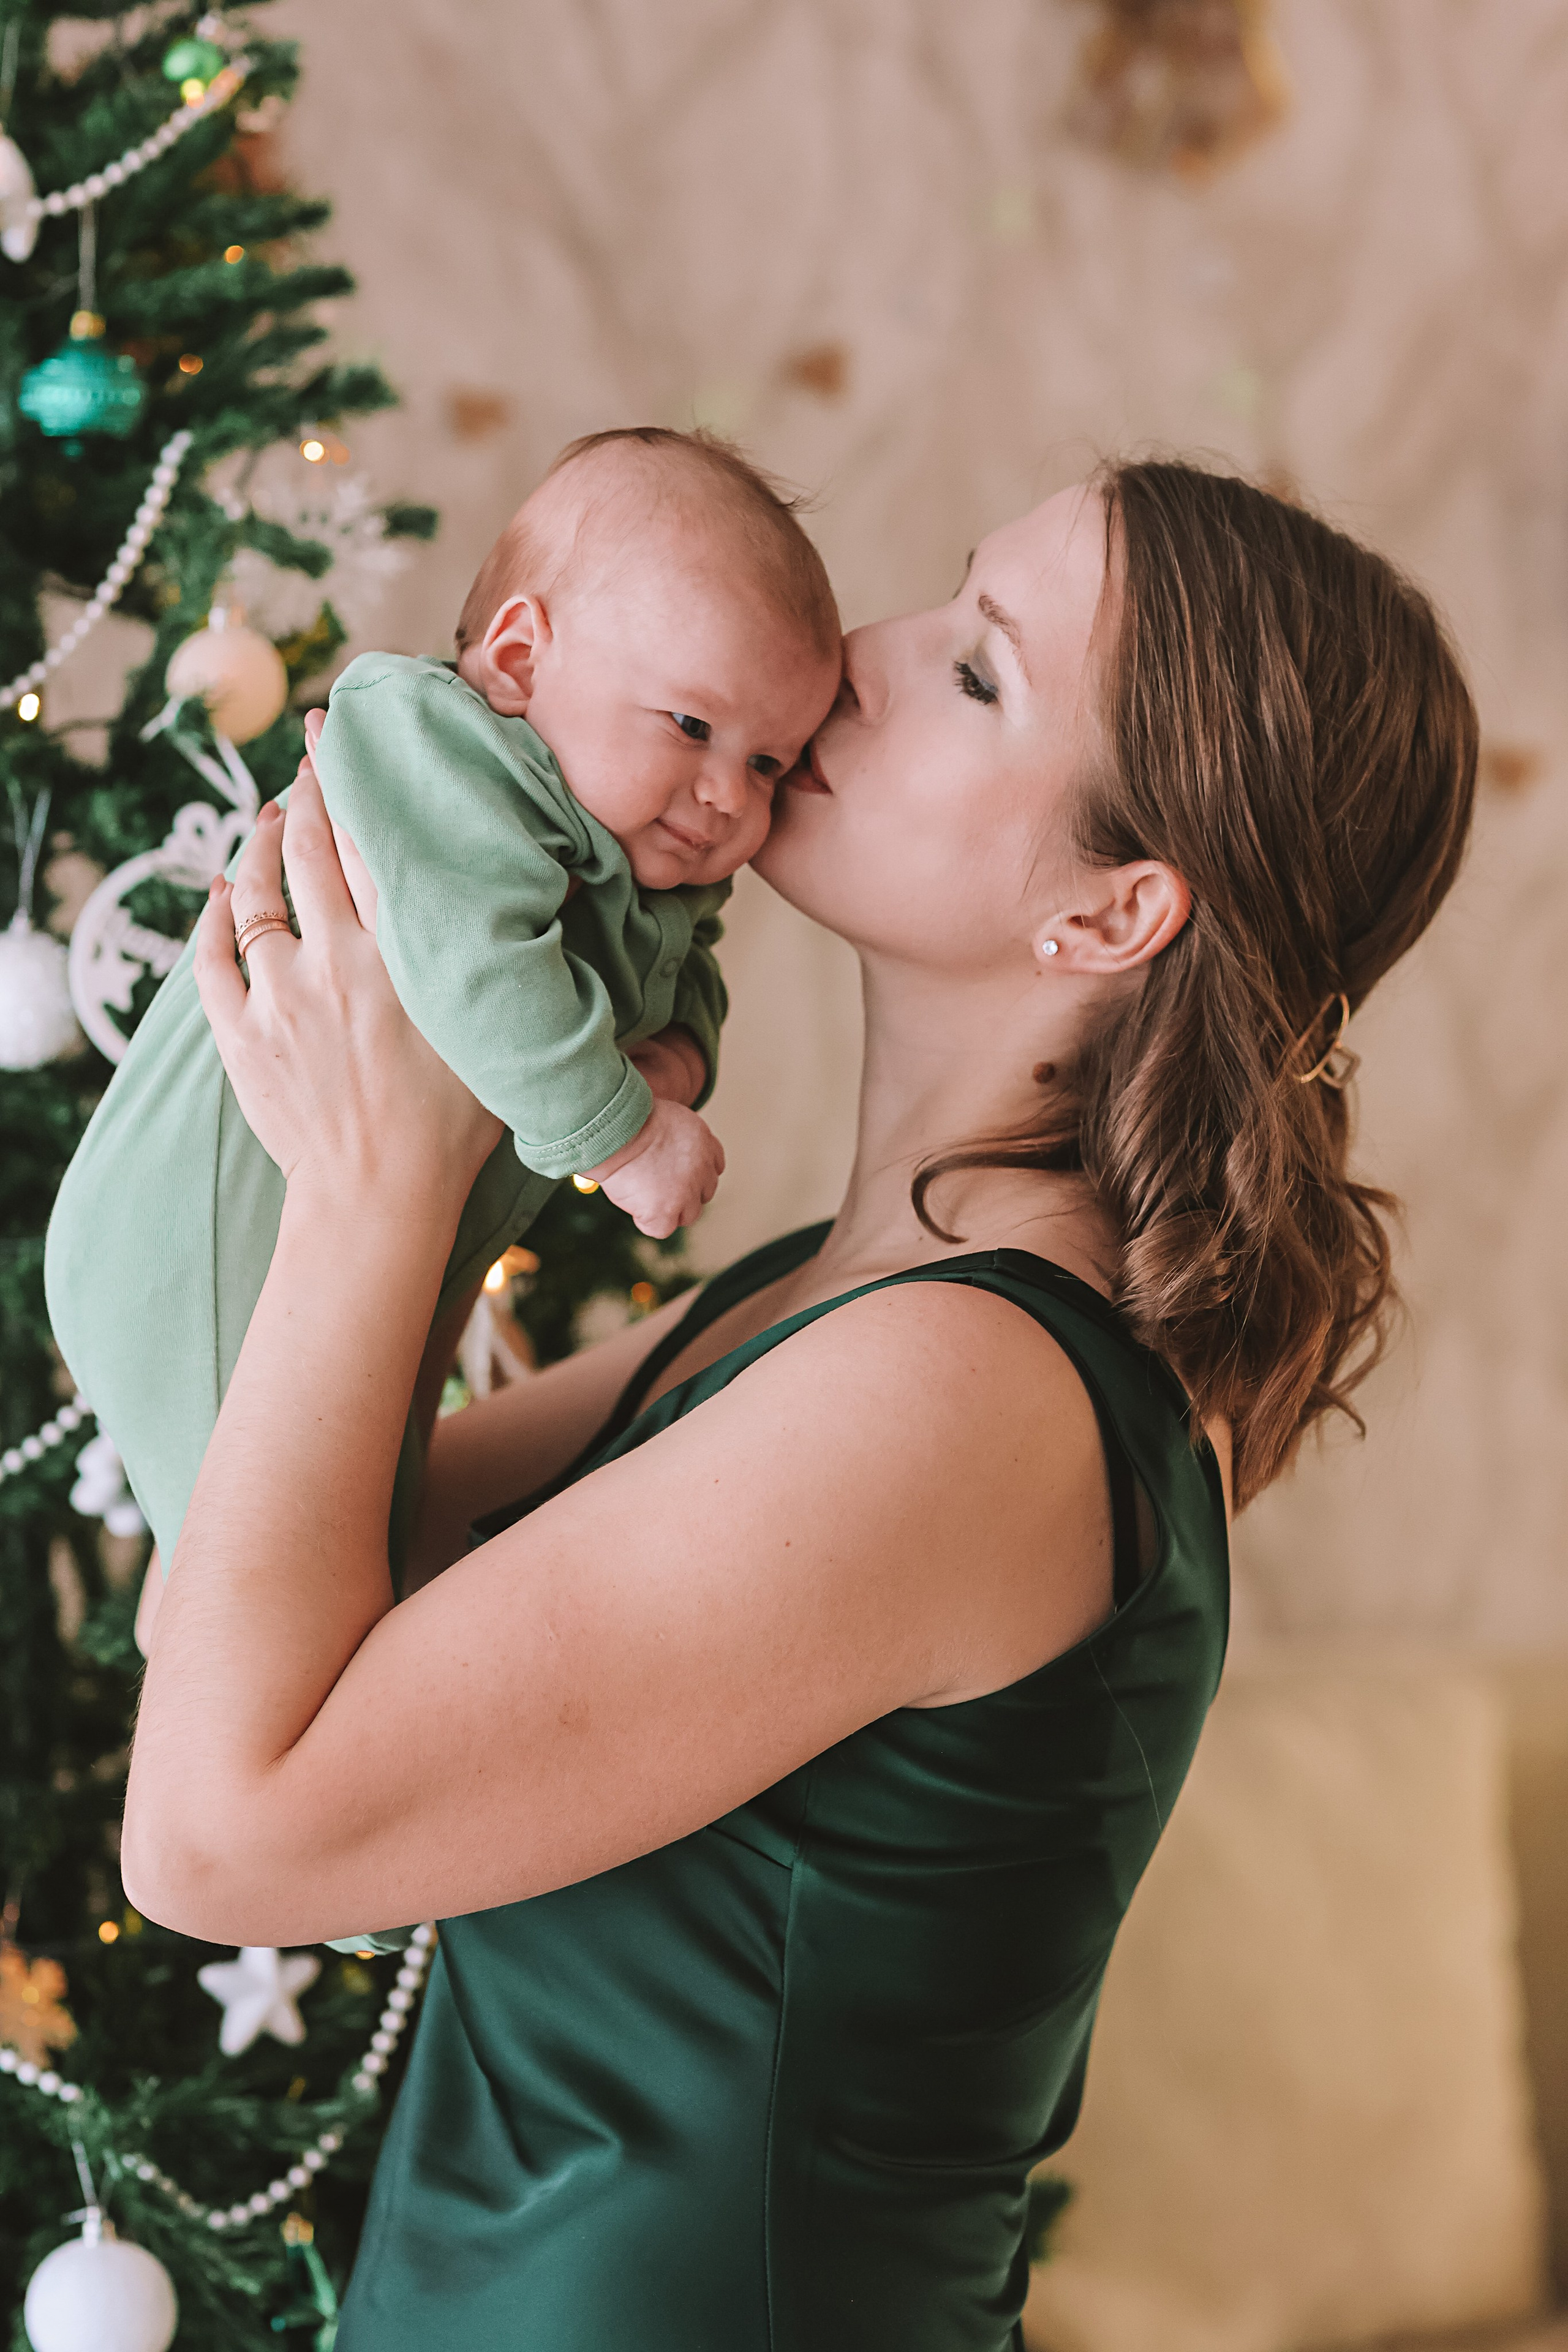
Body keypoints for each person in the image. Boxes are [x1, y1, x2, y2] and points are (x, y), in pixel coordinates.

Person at [121, 459, 1477, 2352]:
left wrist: (381, 1186)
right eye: (941, 599)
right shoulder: (825, 1304)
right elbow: (223, 1606)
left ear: (1112, 911)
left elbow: (213, 1840)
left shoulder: (960, 1391)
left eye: (980, 672)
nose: (854, 659)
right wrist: (435, 1025)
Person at [45, 427, 840, 1574]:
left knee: (359, 1519)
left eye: (768, 763)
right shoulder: (438, 748)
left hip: (363, 1242)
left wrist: (675, 1064)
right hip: (199, 1231)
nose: (728, 797)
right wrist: (621, 1135)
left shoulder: (644, 868)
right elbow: (472, 958)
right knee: (266, 1565)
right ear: (517, 660)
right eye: (694, 727)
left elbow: (687, 976)